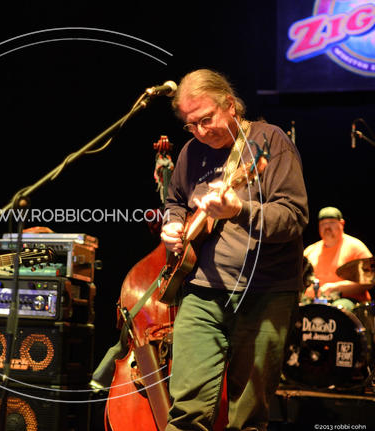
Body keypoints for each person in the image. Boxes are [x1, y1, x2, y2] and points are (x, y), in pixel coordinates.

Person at [160, 69, 308, 431]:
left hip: (264, 294)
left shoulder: (270, 142)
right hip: (201, 292)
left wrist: (239, 209)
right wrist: (173, 224)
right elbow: (175, 201)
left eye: (206, 119)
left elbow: (293, 217)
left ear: (229, 104)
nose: (199, 131)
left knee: (247, 419)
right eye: (190, 125)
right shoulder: (191, 152)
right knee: (185, 412)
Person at [303, 206, 372, 306]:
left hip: (348, 301)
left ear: (342, 223)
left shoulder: (355, 246)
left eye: (331, 222)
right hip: (315, 302)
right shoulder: (311, 250)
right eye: (323, 224)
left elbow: (370, 280)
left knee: (335, 310)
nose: (327, 227)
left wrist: (337, 288)